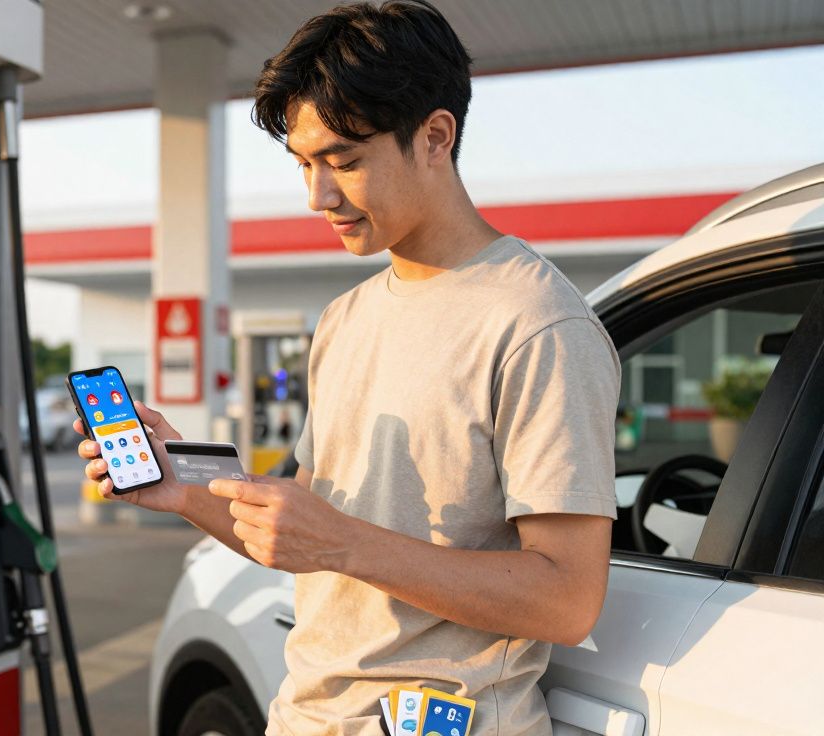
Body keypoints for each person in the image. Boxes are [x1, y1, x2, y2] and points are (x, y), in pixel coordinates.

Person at [75, 3, 619, 734]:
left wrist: (343, 540)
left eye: (345, 161)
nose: (318, 196)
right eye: (304, 164)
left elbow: (565, 598)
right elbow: (305, 533)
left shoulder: (537, 324)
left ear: (435, 136)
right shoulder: (345, 318)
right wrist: (184, 489)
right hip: (307, 713)